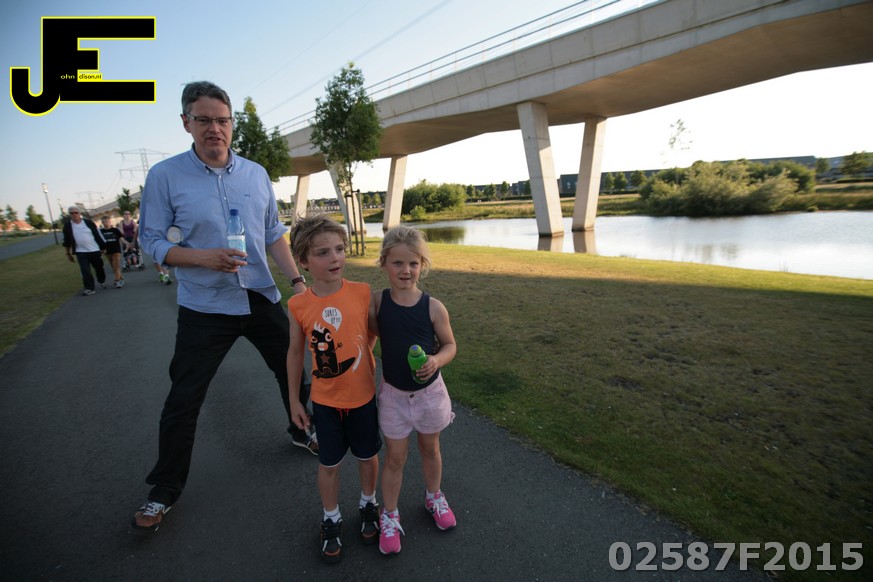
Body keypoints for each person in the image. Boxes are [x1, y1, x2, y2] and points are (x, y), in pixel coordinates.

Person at [131, 80, 314, 535]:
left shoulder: (255, 173)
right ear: (186, 123)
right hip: (205, 305)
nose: (214, 128)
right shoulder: (165, 176)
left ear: (233, 124)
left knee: (293, 370)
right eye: (204, 120)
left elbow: (272, 233)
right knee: (184, 398)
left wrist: (296, 282)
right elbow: (151, 240)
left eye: (222, 120)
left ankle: (301, 430)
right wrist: (202, 258)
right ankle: (164, 489)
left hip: (259, 294)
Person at [286, 214, 381, 564]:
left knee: (367, 456)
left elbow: (373, 333)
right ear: (303, 261)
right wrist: (294, 400)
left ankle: (368, 503)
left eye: (339, 249)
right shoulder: (298, 305)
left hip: (363, 398)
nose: (335, 258)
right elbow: (295, 353)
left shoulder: (362, 292)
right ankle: (331, 518)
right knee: (329, 464)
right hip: (325, 402)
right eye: (323, 253)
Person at [371, 225, 458, 556]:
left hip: (430, 396)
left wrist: (436, 360)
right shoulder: (377, 303)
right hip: (394, 397)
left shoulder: (433, 307)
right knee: (394, 457)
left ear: (422, 265)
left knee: (430, 448)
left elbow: (450, 346)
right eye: (397, 263)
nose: (405, 270)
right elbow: (370, 337)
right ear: (384, 263)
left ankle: (434, 496)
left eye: (413, 263)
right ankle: (389, 514)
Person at [62, 206, 108, 296]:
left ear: (79, 213)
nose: (74, 215)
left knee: (99, 267)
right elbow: (66, 241)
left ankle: (101, 280)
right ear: (70, 215)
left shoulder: (88, 223)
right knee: (85, 270)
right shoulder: (68, 226)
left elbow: (97, 234)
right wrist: (68, 253)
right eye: (72, 213)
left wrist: (103, 247)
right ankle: (89, 288)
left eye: (76, 212)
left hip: (94, 250)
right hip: (80, 252)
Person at [99, 215, 126, 288]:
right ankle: (120, 277)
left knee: (116, 265)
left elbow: (121, 238)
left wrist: (127, 244)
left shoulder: (115, 230)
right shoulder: (101, 231)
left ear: (110, 221)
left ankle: (117, 281)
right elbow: (99, 241)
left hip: (116, 250)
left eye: (106, 221)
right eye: (104, 222)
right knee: (113, 267)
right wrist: (100, 250)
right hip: (107, 251)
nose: (105, 223)